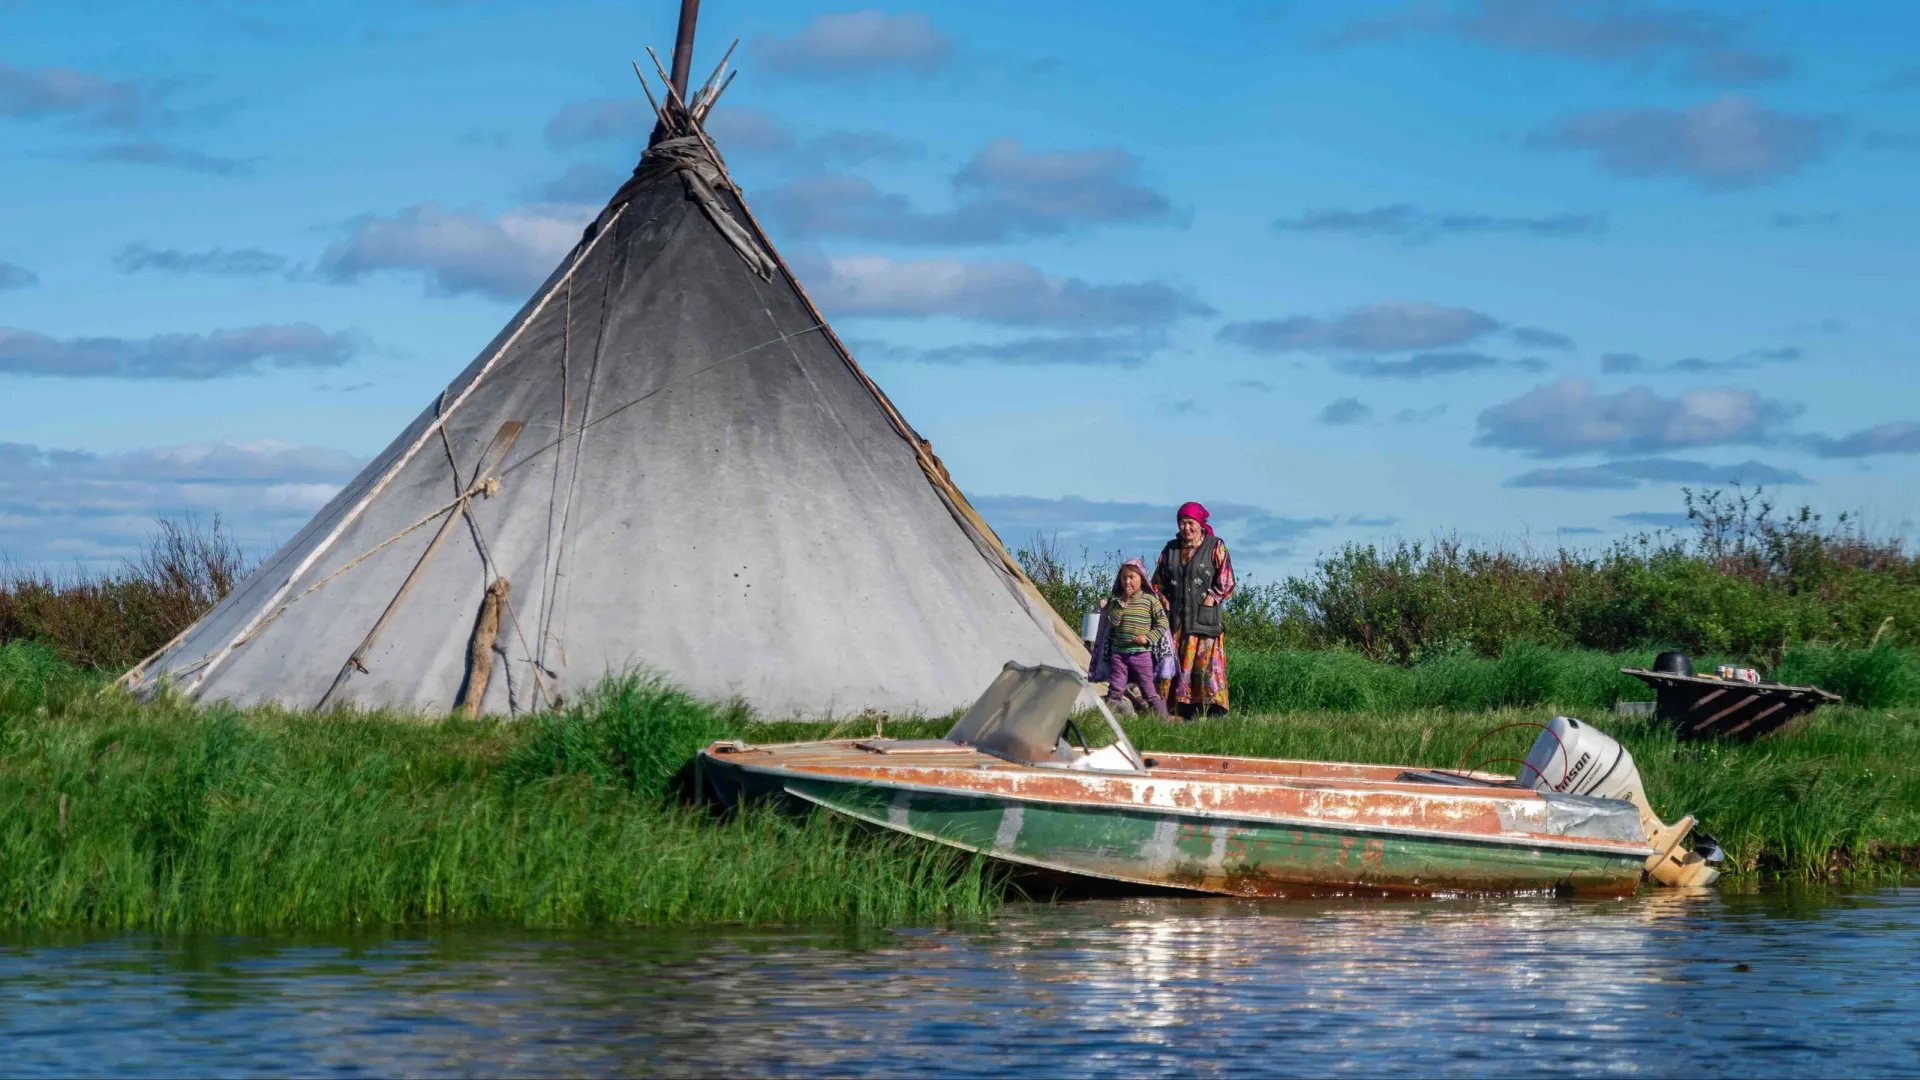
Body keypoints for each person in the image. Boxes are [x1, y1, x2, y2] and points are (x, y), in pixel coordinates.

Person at [1152, 501, 1234, 718]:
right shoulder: (1170, 549)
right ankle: (1180, 713)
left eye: (1190, 523)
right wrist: (1161, 598)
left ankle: (1215, 715)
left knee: (1205, 668)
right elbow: (1156, 582)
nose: (1186, 528)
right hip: (1176, 622)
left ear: (1200, 524)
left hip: (1204, 623)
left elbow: (1227, 581)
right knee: (1175, 669)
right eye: (1181, 523)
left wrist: (1211, 598)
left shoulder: (1215, 546)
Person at [1094, 558, 1169, 718]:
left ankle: (1164, 722)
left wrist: (1148, 637)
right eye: (1123, 577)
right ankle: (1105, 720)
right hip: (1119, 654)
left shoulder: (1150, 601)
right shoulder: (1116, 601)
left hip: (1141, 654)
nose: (1127, 581)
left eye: (1131, 577)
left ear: (1141, 579)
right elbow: (1113, 622)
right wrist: (1122, 603)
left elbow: (1162, 623)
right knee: (1115, 689)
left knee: (1149, 691)